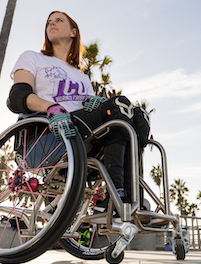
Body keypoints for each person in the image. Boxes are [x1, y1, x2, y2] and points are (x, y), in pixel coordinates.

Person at [8, 11, 150, 211]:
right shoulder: (32, 57)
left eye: (59, 20)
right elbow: (17, 97)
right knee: (118, 104)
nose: (51, 24)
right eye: (49, 22)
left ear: (74, 32)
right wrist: (51, 107)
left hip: (81, 137)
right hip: (45, 134)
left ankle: (131, 197)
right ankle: (114, 196)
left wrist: (96, 102)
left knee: (137, 117)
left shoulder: (81, 76)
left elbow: (88, 108)